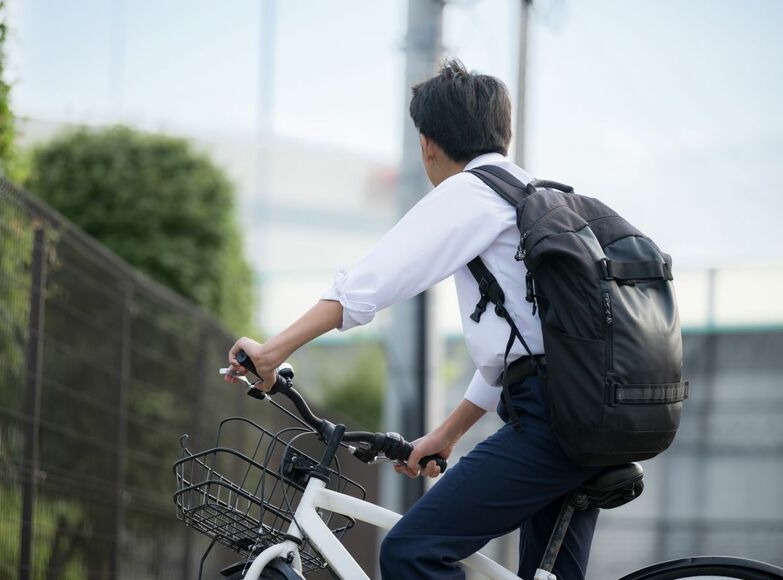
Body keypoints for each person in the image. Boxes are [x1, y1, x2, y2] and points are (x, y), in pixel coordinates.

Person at [226, 59, 601, 580]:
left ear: (427, 144)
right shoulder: (542, 199)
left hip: (553, 422)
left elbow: (370, 283)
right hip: (597, 412)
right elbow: (519, 352)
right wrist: (447, 435)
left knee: (410, 552)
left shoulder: (473, 193)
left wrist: (272, 352)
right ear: (502, 132)